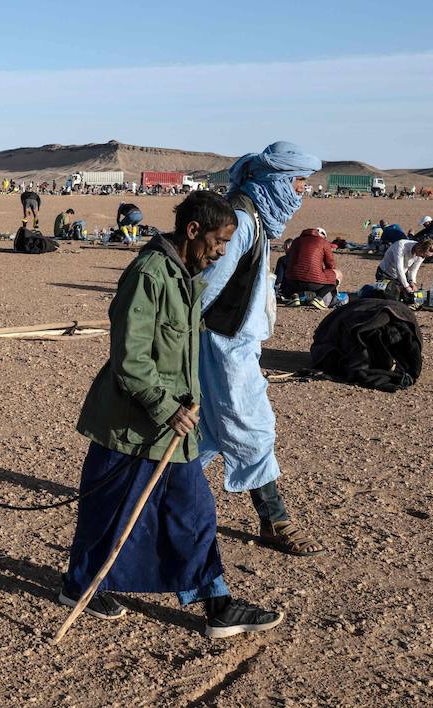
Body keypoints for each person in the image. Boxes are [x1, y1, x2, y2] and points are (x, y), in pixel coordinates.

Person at [60, 190, 284, 639]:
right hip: (130, 424)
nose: (221, 251)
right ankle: (80, 585)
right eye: (218, 241)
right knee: (107, 512)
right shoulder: (149, 275)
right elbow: (130, 359)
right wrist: (166, 407)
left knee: (192, 511)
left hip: (170, 428)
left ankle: (216, 603)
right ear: (193, 231)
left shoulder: (184, 275)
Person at [198, 141, 325, 557]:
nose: (302, 192)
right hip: (224, 343)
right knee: (252, 427)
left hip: (237, 340)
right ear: (277, 180)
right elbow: (207, 288)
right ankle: (275, 520)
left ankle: (156, 502)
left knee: (206, 433)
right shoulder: (240, 218)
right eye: (299, 182)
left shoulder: (254, 215)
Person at [280, 228, 342, 307]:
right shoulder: (323, 242)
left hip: (292, 283)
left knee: (296, 273)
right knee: (337, 275)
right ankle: (319, 298)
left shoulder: (296, 241)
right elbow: (330, 264)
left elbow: (290, 259)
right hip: (314, 284)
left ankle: (295, 296)